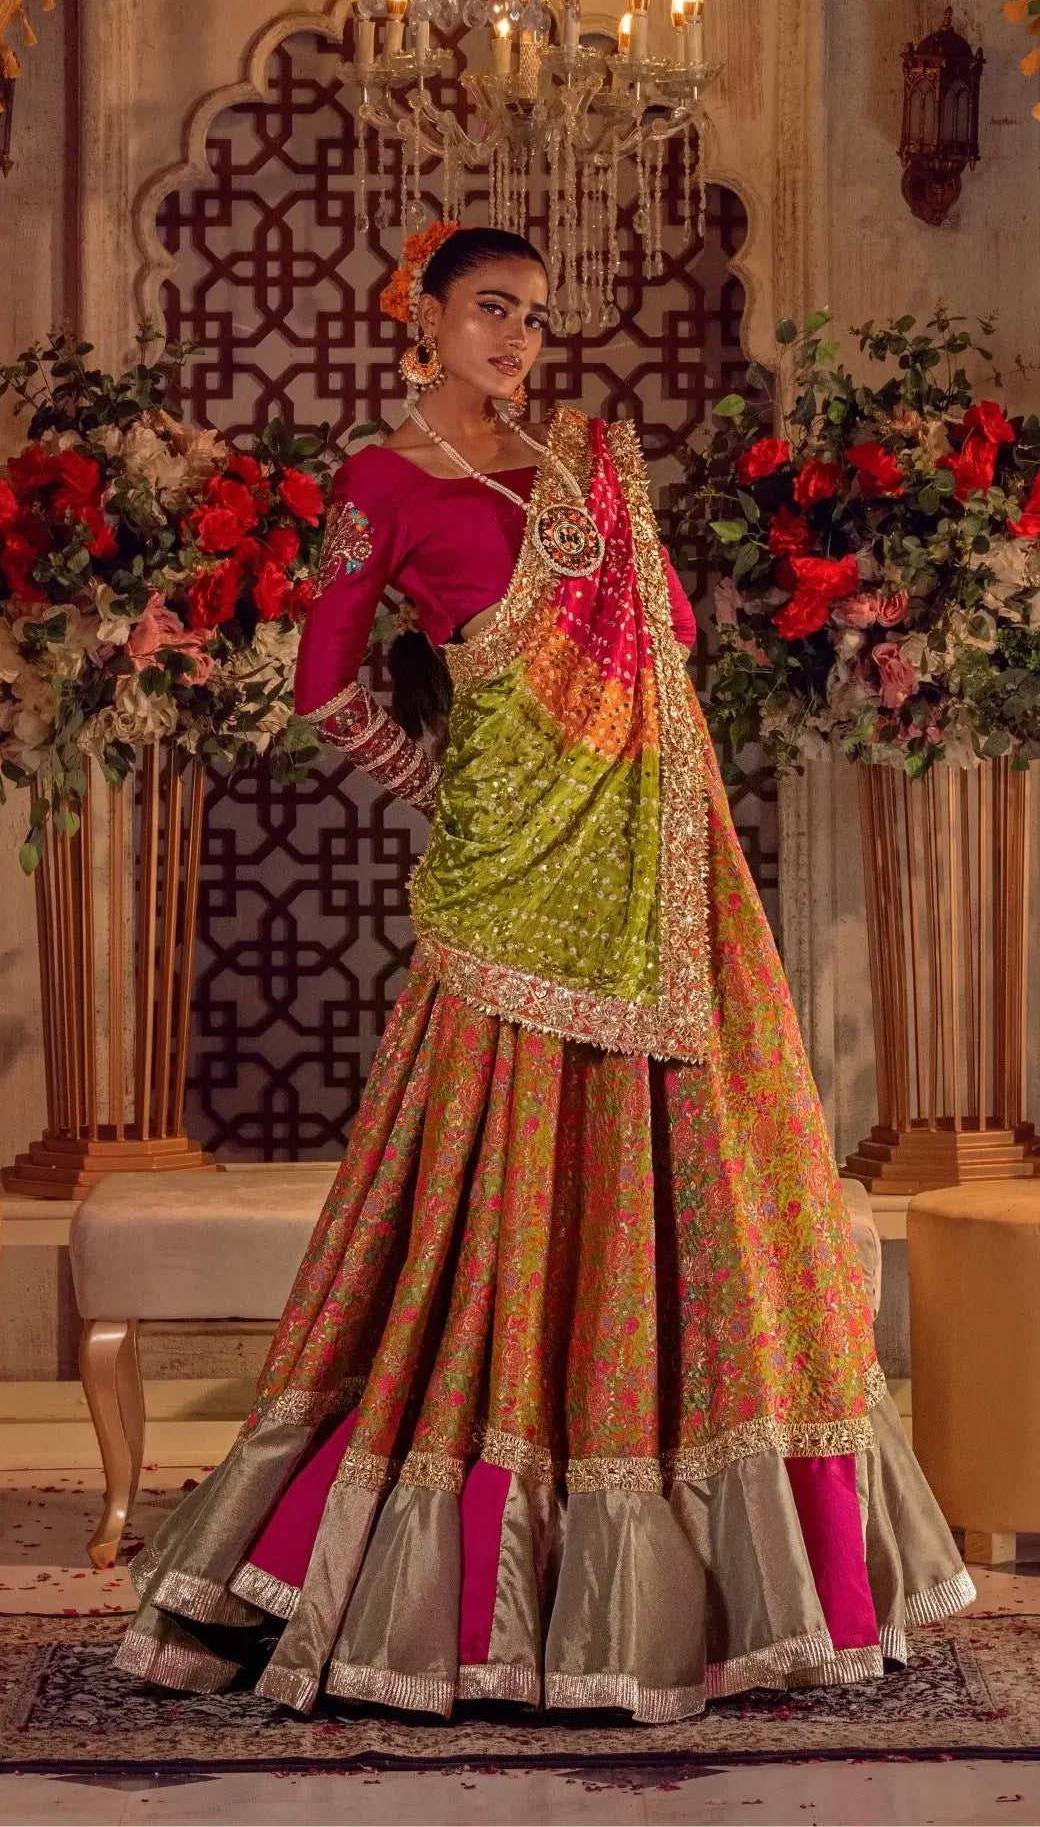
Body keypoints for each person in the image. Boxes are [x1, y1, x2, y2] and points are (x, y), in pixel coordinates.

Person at [117, 223, 972, 1723]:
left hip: (647, 862)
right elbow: (321, 683)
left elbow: (681, 639)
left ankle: (702, 1566)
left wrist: (615, 553)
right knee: (485, 1183)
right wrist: (439, 784)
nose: (516, 340)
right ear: (424, 320)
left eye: (531, 318)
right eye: (490, 312)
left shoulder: (586, 465)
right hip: (505, 872)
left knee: (684, 1180)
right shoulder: (378, 487)